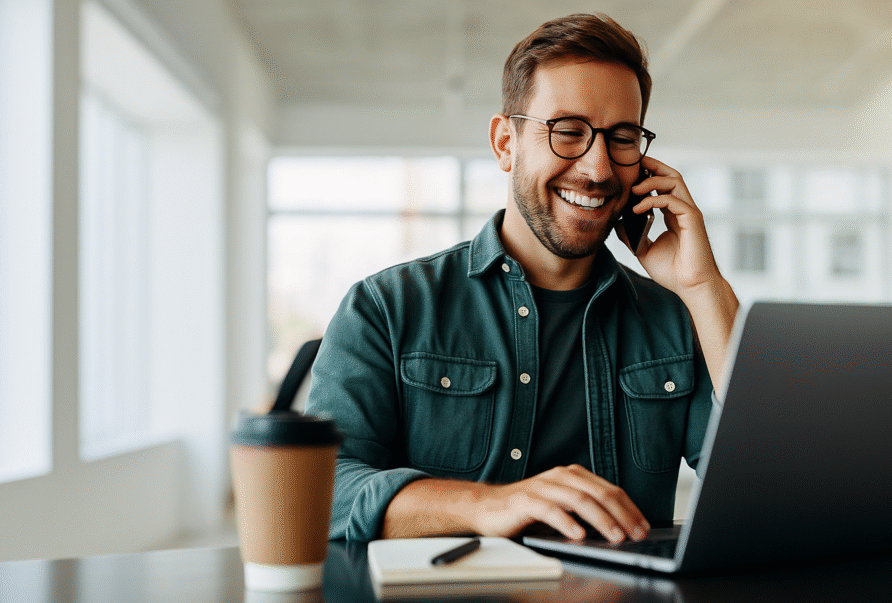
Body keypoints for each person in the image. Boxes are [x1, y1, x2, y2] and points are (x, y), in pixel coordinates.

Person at [308, 13, 739, 544]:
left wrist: (702, 287)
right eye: (568, 132)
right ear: (505, 144)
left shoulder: (678, 317)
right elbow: (318, 492)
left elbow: (772, 489)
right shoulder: (386, 309)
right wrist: (486, 504)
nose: (599, 169)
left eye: (622, 138)